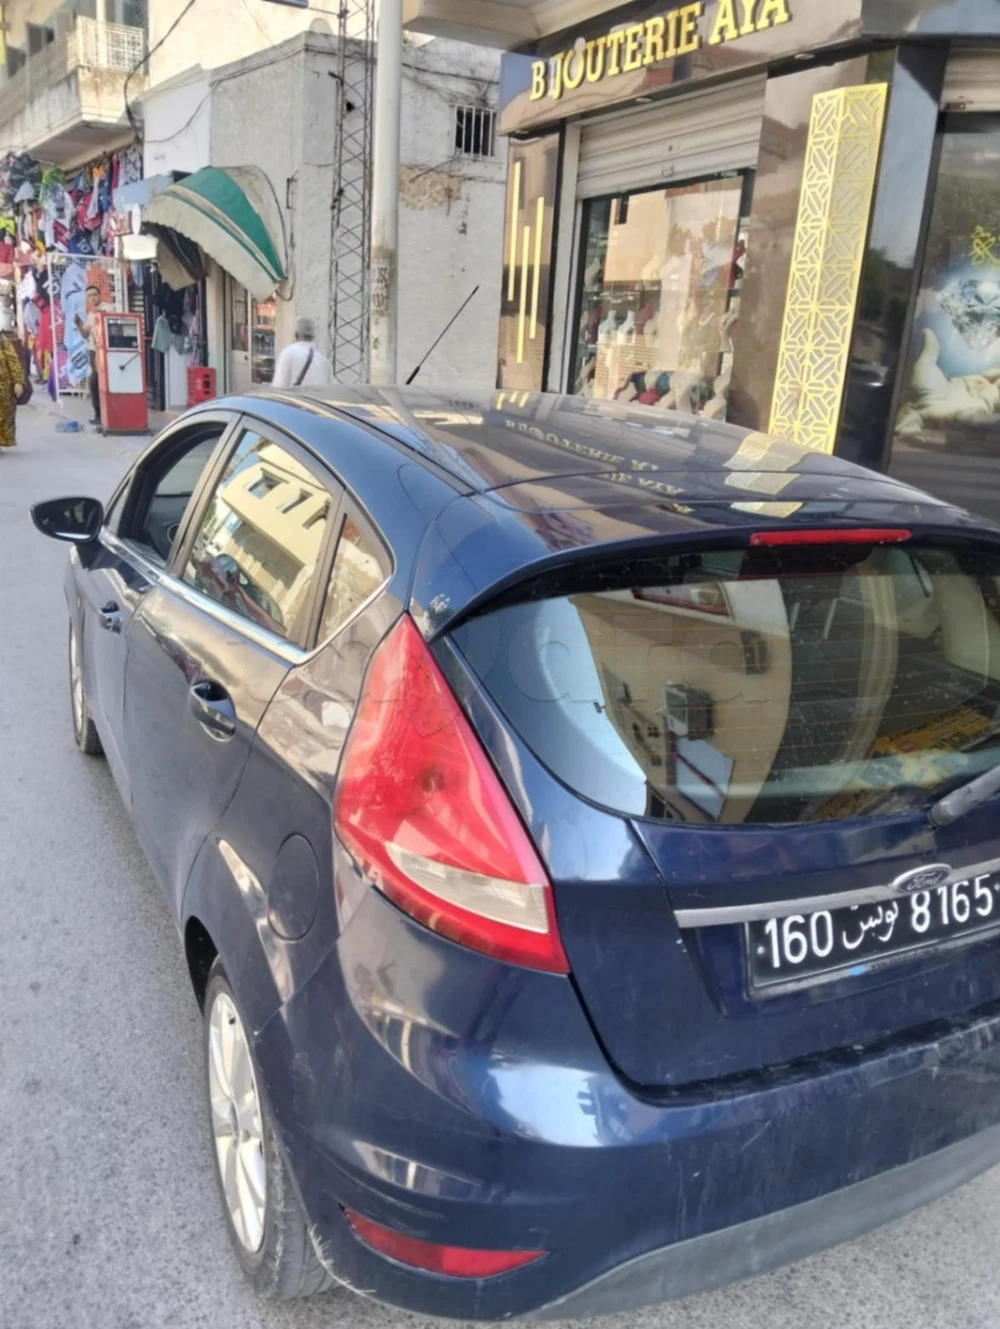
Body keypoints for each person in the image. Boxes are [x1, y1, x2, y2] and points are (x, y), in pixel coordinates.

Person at [74, 285, 107, 428]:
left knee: (100, 382)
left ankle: (105, 414)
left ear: (100, 295)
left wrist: (99, 313)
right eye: (89, 296)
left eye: (95, 295)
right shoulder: (90, 314)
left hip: (105, 351)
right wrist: (78, 325)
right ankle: (98, 414)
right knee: (94, 383)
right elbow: (85, 333)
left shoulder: (107, 308)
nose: (93, 298)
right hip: (94, 350)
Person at [271, 317, 332, 388]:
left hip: (295, 395)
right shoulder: (324, 361)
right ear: (313, 337)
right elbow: (330, 389)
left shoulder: (288, 353)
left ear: (296, 335)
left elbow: (279, 386)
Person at [0, 329, 25, 450]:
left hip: (3, 387)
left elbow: (13, 359)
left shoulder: (2, 339)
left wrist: (18, 381)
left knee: (3, 416)